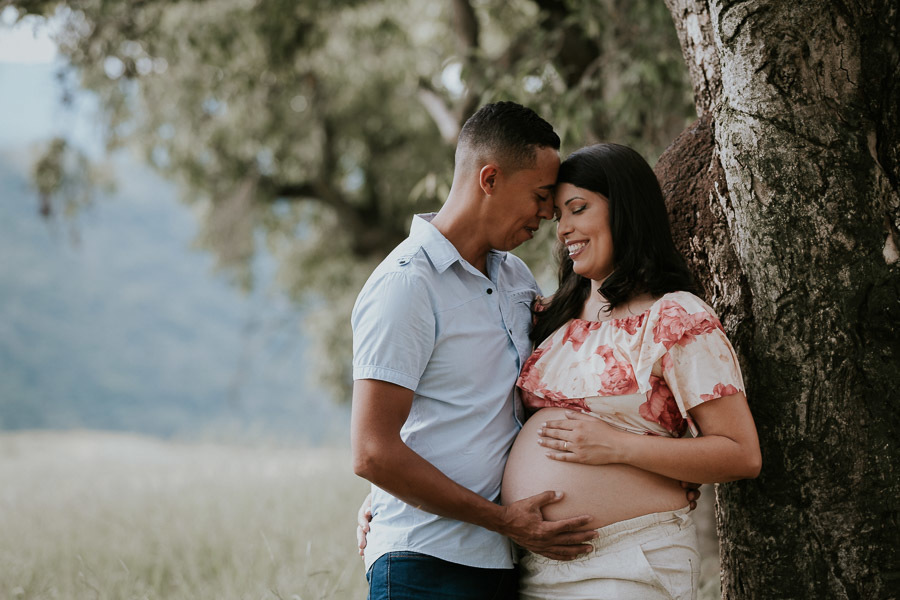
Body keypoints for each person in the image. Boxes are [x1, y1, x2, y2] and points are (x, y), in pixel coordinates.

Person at [349, 101, 600, 600]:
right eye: (541, 195)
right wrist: (505, 520)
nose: (549, 213)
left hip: (500, 563)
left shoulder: (515, 278)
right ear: (489, 179)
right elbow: (372, 452)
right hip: (426, 564)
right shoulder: (406, 286)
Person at [500, 142, 762, 600]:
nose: (563, 229)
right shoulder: (547, 315)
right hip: (534, 566)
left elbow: (740, 453)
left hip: (629, 560)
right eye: (558, 215)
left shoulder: (675, 318)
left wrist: (618, 447)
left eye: (577, 209)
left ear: (624, 210)